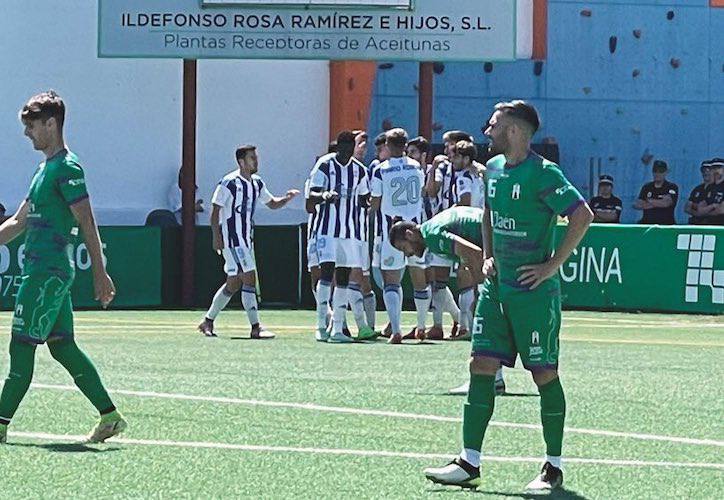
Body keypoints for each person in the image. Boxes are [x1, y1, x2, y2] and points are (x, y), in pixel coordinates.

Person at [423, 100, 593, 492]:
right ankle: (469, 461)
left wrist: (552, 264)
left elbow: (581, 214)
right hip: (497, 290)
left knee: (543, 373)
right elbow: (488, 216)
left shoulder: (544, 173)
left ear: (514, 130)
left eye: (494, 125)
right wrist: (487, 256)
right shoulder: (493, 171)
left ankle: (553, 466)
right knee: (480, 364)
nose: (487, 131)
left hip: (534, 294)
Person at [0, 90, 126, 444]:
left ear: (51, 124)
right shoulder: (43, 169)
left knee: (21, 350)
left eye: (32, 126)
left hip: (46, 274)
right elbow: (18, 222)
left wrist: (99, 272)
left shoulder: (67, 168)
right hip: (44, 274)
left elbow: (87, 221)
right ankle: (110, 416)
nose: (27, 133)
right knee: (62, 346)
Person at [197, 145, 299, 338]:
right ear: (241, 162)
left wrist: (287, 198)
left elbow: (271, 204)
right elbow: (215, 211)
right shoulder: (229, 183)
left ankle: (207, 321)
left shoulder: (257, 183)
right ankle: (255, 327)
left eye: (256, 157)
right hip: (233, 240)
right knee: (250, 277)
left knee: (233, 284)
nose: (256, 161)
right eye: (252, 158)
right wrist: (216, 237)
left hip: (246, 239)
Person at [308, 131, 373, 343]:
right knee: (327, 273)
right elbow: (312, 196)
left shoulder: (359, 171)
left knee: (343, 277)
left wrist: (367, 202)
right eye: (343, 148)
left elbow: (364, 197)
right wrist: (325, 195)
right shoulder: (325, 166)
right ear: (338, 148)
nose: (346, 152)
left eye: (349, 147)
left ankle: (337, 328)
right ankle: (320, 325)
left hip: (350, 231)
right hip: (327, 230)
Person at [370, 128, 429, 344]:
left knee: (391, 282)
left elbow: (375, 202)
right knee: (419, 278)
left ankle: (396, 330)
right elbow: (422, 193)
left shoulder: (380, 170)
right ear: (405, 145)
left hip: (391, 231)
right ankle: (421, 326)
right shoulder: (417, 167)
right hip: (416, 229)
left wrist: (369, 222)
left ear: (387, 145)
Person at [634, 160, 679, 225]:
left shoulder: (671, 187)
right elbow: (638, 204)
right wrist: (659, 201)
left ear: (666, 172)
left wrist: (649, 200)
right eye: (655, 171)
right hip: (647, 224)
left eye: (661, 171)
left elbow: (666, 203)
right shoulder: (647, 187)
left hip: (666, 224)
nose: (657, 174)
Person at [698, 158, 724, 225]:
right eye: (713, 168)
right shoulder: (709, 187)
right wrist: (713, 206)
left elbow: (721, 210)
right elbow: (700, 210)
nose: (715, 170)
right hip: (709, 225)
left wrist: (707, 210)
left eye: (718, 168)